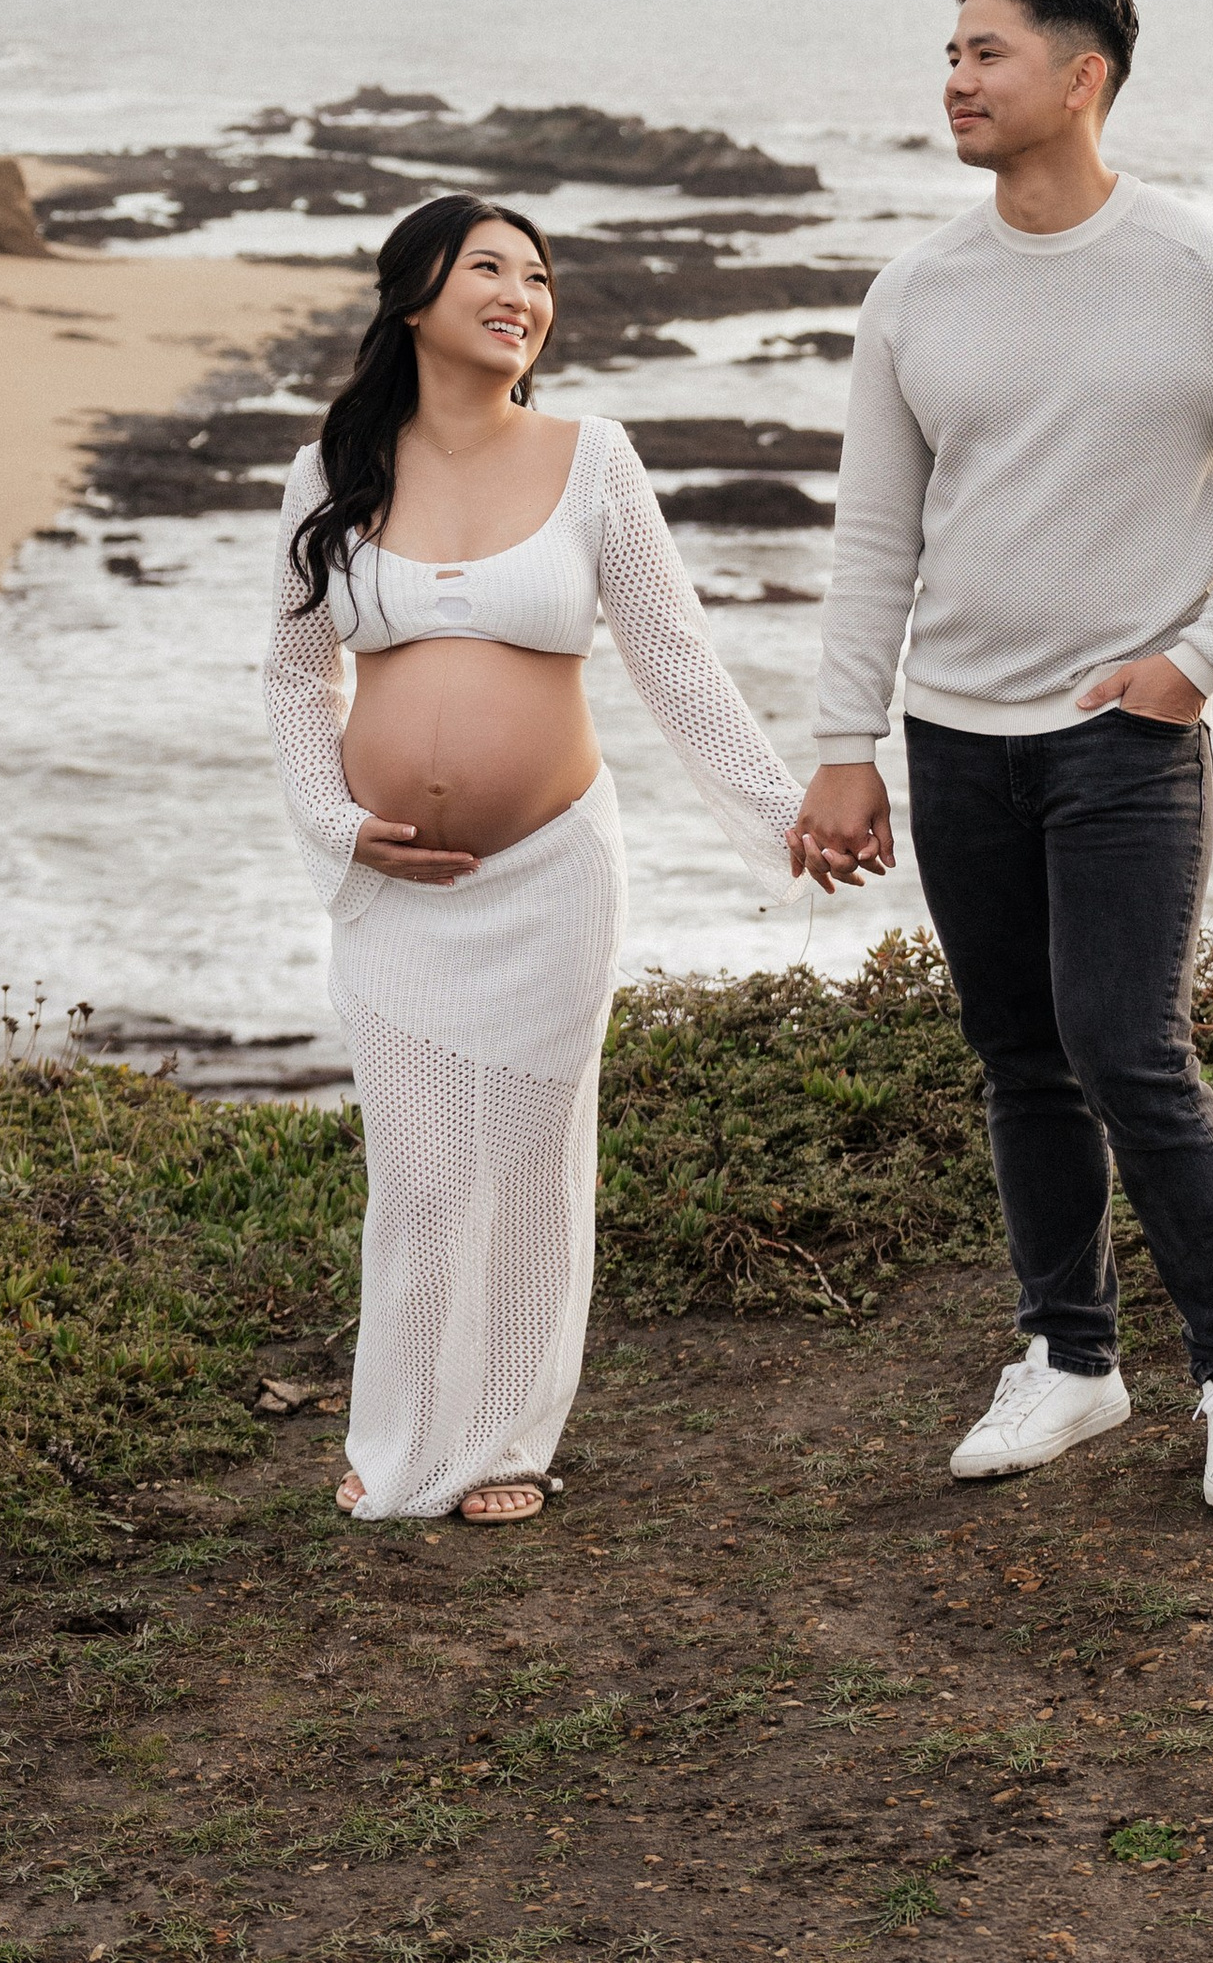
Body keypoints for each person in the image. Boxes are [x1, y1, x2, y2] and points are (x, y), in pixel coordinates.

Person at [790, 0, 1213, 1510]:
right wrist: (849, 744)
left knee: (1128, 1049)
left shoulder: (1206, 268)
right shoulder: (919, 291)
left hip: (1123, 741)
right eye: (948, 55)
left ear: (1081, 76)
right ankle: (1070, 1364)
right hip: (956, 739)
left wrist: (1197, 663)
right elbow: (874, 540)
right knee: (1020, 1061)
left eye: (987, 55)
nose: (955, 82)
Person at [263, 189, 829, 1524]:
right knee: (416, 1172)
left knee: (527, 1163)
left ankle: (507, 1442)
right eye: (489, 270)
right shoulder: (330, 475)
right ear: (415, 299)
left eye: (539, 276)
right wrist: (341, 829)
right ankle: (399, 1439)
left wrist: (784, 814)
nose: (522, 294)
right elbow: (296, 683)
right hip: (394, 894)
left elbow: (674, 662)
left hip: (552, 872)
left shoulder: (595, 458)